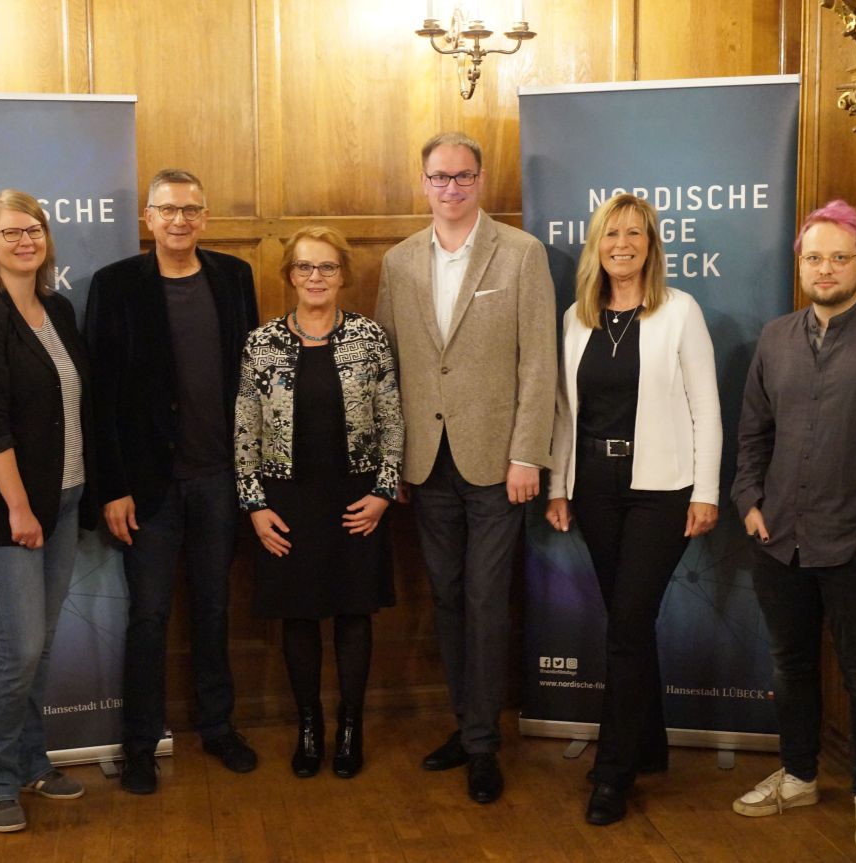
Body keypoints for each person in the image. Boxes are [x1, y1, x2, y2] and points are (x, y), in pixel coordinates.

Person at [730, 200, 856, 854]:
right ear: (801, 263)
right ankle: (797, 775)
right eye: (814, 257)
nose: (825, 268)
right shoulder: (774, 338)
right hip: (778, 538)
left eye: (839, 257)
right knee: (791, 665)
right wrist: (748, 499)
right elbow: (753, 432)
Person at [374, 131, 556, 804]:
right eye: (439, 177)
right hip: (426, 464)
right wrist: (388, 463)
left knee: (485, 601)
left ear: (480, 181)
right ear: (422, 183)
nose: (450, 187)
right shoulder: (397, 262)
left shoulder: (521, 253)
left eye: (462, 176)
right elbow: (385, 369)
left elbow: (538, 360)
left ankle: (483, 746)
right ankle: (466, 723)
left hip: (497, 462)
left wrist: (526, 452)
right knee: (447, 599)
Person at [544, 193, 721, 825]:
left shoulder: (679, 311)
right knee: (630, 624)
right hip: (593, 485)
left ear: (652, 245)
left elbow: (707, 408)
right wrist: (558, 485)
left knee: (624, 627)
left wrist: (707, 491)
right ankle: (649, 745)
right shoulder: (576, 318)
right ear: (597, 243)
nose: (623, 243)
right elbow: (565, 411)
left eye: (635, 234)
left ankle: (612, 772)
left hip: (661, 489)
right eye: (611, 233)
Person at [85, 168, 260, 795]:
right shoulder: (116, 286)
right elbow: (98, 396)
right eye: (167, 210)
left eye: (191, 209)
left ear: (204, 218)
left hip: (220, 479)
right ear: (148, 218)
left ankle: (217, 727)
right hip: (147, 487)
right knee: (150, 617)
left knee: (214, 610)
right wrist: (112, 486)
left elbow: (254, 378)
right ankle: (140, 744)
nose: (179, 220)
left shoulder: (234, 279)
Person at [0, 189, 96, 833]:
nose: (24, 240)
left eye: (32, 229)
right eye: (10, 232)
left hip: (66, 497)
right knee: (22, 645)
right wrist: (17, 506)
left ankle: (33, 761)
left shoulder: (59, 309)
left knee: (39, 647)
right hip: (10, 511)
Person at [236, 226, 403, 779]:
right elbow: (245, 432)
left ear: (342, 275)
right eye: (305, 267)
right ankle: (309, 727)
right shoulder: (262, 342)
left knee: (355, 612)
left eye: (326, 268)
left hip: (355, 496)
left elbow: (391, 419)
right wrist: (255, 504)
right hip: (286, 499)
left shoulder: (368, 337)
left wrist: (383, 492)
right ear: (288, 275)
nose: (315, 277)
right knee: (298, 616)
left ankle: (351, 727)